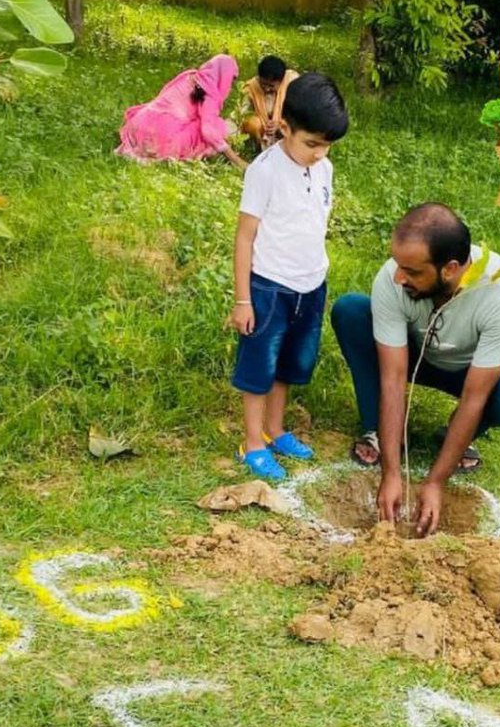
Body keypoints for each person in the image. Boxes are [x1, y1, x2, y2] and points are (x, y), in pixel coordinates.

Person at [330, 203, 500, 536]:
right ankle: (379, 433)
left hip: (473, 370)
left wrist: (435, 482)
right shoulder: (392, 278)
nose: (400, 277)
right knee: (352, 312)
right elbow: (394, 377)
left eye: (412, 272)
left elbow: (475, 396)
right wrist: (392, 473)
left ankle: (457, 436)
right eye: (399, 266)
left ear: (450, 269)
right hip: (418, 356)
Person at [228, 73, 349, 481]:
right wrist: (243, 299)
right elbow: (245, 238)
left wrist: (312, 268)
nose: (320, 153)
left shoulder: (324, 168)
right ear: (285, 127)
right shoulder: (264, 171)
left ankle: (275, 429)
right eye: (311, 143)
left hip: (310, 285)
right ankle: (253, 442)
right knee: (259, 366)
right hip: (268, 287)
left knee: (291, 364)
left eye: (327, 144)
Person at [116, 53, 247, 170]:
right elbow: (208, 131)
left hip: (139, 124)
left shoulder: (190, 75)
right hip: (161, 136)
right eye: (231, 79)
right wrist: (236, 160)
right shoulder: (210, 94)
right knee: (219, 127)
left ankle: (138, 147)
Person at [239, 55, 300, 152]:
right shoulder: (251, 87)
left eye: (271, 86)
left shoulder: (291, 80)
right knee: (252, 123)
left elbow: (300, 108)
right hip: (263, 130)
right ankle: (259, 151)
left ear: (281, 81)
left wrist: (281, 123)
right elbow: (240, 113)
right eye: (264, 84)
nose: (267, 89)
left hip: (286, 125)